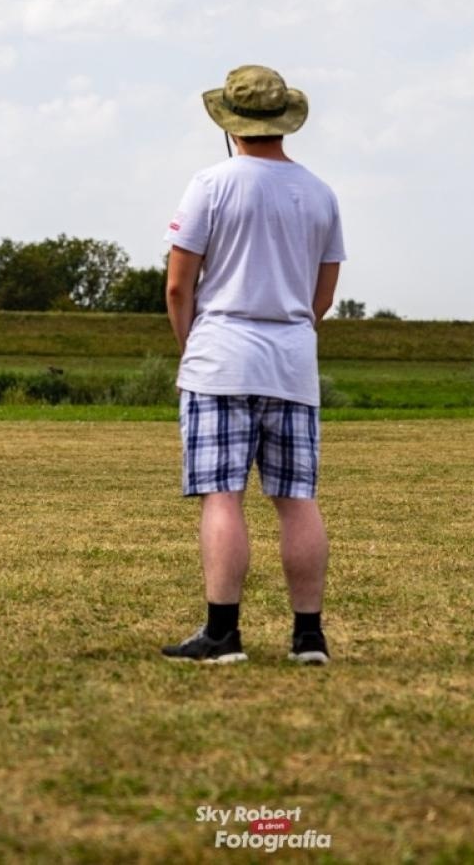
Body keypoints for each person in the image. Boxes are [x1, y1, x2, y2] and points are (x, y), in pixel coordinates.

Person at [160, 64, 345, 665]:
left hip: (221, 356)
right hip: (292, 361)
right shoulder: (319, 193)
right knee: (297, 499)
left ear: (230, 121)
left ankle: (222, 634)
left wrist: (192, 344)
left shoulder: (210, 184)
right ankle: (308, 636)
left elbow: (177, 286)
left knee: (223, 496)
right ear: (284, 120)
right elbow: (324, 293)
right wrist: (294, 329)